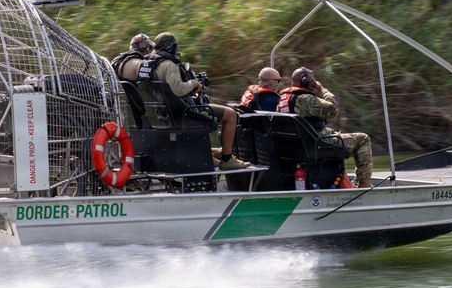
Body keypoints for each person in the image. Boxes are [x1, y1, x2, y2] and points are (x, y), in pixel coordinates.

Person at [138, 32, 251, 170]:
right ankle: (227, 159)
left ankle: (210, 153)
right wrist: (194, 83)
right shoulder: (169, 65)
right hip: (182, 114)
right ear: (169, 46)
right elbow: (178, 89)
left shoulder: (148, 64)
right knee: (231, 114)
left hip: (161, 114)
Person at [278, 67, 372, 187]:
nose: (313, 83)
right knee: (363, 139)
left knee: (332, 132)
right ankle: (364, 185)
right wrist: (322, 89)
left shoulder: (282, 100)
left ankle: (341, 179)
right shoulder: (305, 100)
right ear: (305, 81)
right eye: (312, 80)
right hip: (316, 144)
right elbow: (333, 110)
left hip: (296, 146)